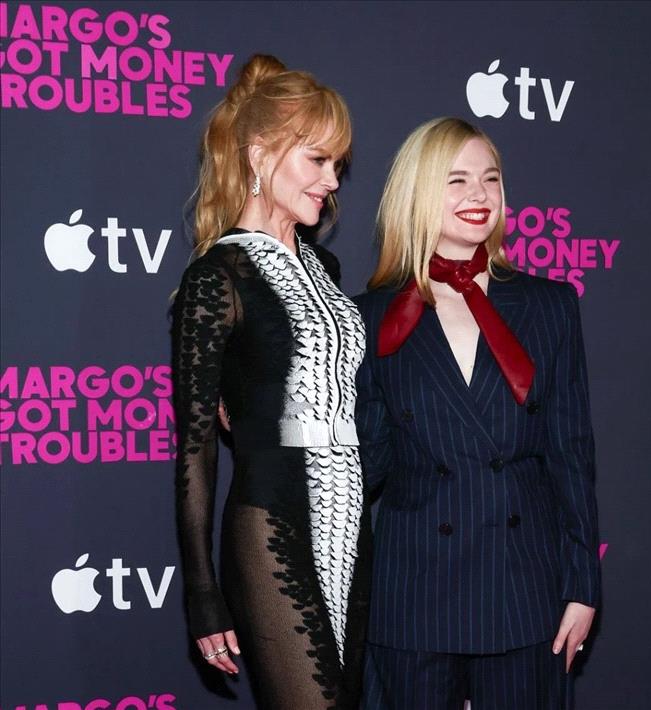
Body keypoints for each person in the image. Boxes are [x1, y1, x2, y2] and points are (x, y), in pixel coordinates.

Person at [354, 117, 600, 709]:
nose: (479, 194)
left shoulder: (550, 305)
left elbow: (570, 456)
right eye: (457, 179)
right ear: (419, 192)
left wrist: (583, 584)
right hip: (413, 593)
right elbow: (361, 465)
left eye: (490, 178)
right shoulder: (370, 317)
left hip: (524, 589)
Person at [170, 54, 370, 710]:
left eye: (337, 163)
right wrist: (202, 593)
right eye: (318, 160)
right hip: (271, 524)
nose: (332, 180)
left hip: (350, 519)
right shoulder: (216, 278)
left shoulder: (325, 268)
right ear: (260, 154)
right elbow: (195, 446)